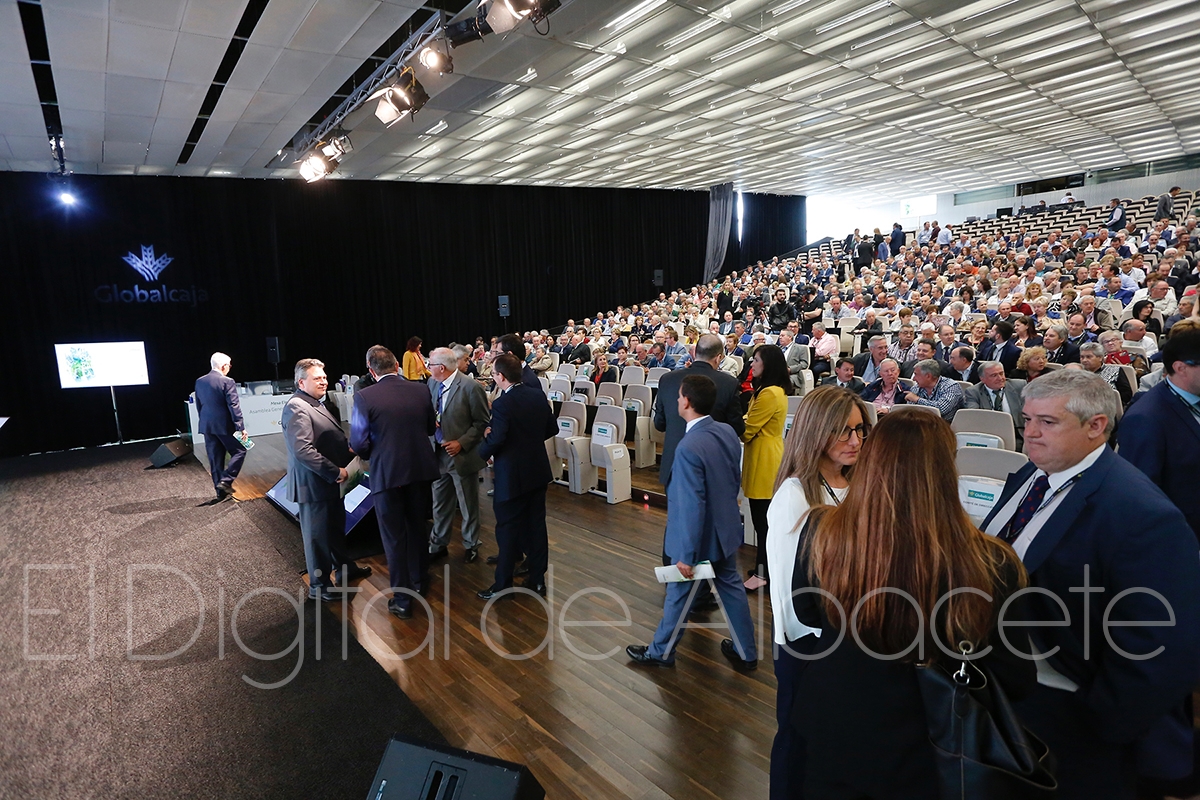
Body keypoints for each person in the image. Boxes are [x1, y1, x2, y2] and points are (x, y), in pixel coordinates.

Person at [788, 408, 1034, 797]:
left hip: (836, 723)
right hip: (932, 741)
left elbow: (807, 610)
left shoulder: (821, 531)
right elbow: (1014, 676)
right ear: (947, 469)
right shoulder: (992, 562)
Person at [981, 370, 1200, 799]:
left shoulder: (1141, 513)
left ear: (1096, 426)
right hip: (1009, 694)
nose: (1030, 433)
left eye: (1047, 422)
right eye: (1027, 420)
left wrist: (1099, 724)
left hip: (1072, 715)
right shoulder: (1031, 473)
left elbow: (1162, 645)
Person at [766, 385, 869, 800]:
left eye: (860, 430)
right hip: (808, 643)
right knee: (797, 742)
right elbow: (788, 590)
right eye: (843, 431)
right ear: (815, 432)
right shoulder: (794, 496)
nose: (854, 440)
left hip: (849, 637)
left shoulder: (857, 484)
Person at [626, 374, 758, 670]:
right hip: (725, 530)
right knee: (731, 589)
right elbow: (732, 479)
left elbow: (690, 506)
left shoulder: (688, 447)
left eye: (678, 396)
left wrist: (686, 555)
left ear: (686, 402)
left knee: (678, 594)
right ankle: (747, 652)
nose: (676, 400)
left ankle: (660, 652)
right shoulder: (726, 431)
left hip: (698, 539)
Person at [350, 346, 439, 620]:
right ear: (397, 365)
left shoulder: (364, 396)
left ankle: (402, 599)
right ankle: (420, 580)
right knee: (417, 527)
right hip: (420, 470)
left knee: (393, 537)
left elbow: (358, 443)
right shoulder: (421, 390)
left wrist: (375, 452)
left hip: (387, 474)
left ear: (370, 369)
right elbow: (429, 428)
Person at [281, 358, 370, 602]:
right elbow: (303, 450)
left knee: (334, 532)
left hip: (327, 485)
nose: (324, 381)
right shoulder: (297, 407)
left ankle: (345, 570)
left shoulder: (314, 403)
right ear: (301, 382)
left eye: (324, 377)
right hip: (314, 486)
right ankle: (319, 587)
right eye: (317, 378)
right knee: (317, 539)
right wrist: (335, 472)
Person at [476, 354, 557, 600]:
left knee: (507, 528)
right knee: (536, 527)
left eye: (493, 374)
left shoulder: (503, 404)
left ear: (501, 376)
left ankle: (503, 584)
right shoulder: (537, 395)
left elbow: (498, 439)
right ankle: (538, 580)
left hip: (512, 474)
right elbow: (551, 428)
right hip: (537, 470)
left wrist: (484, 446)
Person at [1117, 329, 1200, 540]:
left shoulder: (1192, 395)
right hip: (1183, 536)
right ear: (1181, 368)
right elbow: (1140, 496)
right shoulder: (1145, 419)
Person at [426, 347, 490, 564]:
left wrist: (461, 443)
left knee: (467, 504)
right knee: (439, 503)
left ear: (441, 367)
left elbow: (482, 422)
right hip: (438, 454)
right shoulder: (432, 383)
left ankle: (471, 544)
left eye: (430, 365)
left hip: (461, 456)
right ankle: (438, 544)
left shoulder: (471, 387)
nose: (428, 368)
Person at [741, 345, 790, 591]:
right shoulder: (768, 390)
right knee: (762, 521)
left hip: (765, 459)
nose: (752, 364)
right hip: (762, 454)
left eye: (757, 360)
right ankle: (765, 569)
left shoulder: (770, 393)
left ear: (768, 364)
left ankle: (764, 574)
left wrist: (736, 422)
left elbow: (748, 430)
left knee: (764, 523)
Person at [194, 352, 246, 502]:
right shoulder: (227, 381)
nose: (230, 368)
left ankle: (220, 493)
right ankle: (226, 480)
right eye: (229, 365)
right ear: (224, 366)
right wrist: (240, 427)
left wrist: (204, 421)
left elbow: (199, 405)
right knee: (240, 450)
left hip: (207, 425)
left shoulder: (200, 381)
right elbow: (234, 405)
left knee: (214, 458)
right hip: (224, 425)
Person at [964, 361, 1027, 450]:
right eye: (994, 375)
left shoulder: (1019, 386)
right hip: (989, 435)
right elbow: (974, 415)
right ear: (982, 379)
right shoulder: (973, 392)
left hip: (1016, 434)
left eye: (1001, 373)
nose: (1000, 378)